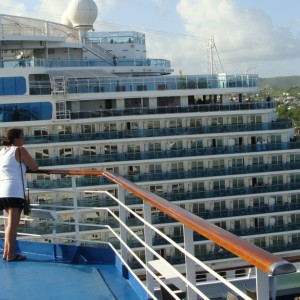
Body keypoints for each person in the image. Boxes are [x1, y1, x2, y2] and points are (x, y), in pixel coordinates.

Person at [0, 128, 38, 261]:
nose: (23, 139)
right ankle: (11, 254)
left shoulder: (2, 151)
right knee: (13, 224)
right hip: (14, 190)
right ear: (16, 139)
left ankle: (6, 252)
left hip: (2, 191)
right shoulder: (19, 150)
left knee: (9, 224)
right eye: (22, 137)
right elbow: (34, 167)